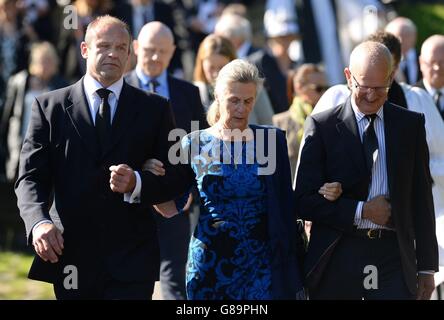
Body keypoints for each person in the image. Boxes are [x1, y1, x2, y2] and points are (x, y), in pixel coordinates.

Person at [15, 15, 183, 299]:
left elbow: (179, 178)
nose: (112, 54)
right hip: (71, 258)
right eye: (104, 46)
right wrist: (39, 223)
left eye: (120, 48)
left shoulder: (155, 108)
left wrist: (138, 183)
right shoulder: (49, 107)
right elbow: (30, 177)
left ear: (130, 54)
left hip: (132, 261)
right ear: (84, 50)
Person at [144, 59, 342, 299]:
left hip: (263, 268)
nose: (241, 108)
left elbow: (287, 205)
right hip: (210, 268)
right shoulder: (194, 143)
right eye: (234, 100)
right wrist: (150, 180)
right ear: (217, 96)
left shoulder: (271, 141)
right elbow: (170, 207)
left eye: (248, 101)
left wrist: (323, 191)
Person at [295, 41, 439, 300]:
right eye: (364, 87)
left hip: (393, 255)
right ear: (349, 77)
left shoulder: (410, 125)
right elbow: (303, 201)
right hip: (339, 252)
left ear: (392, 77)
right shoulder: (323, 126)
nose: (371, 96)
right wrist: (361, 210)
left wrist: (428, 267)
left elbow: (422, 198)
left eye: (380, 88)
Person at [124, 21, 206, 300]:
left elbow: (201, 147)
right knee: (132, 283)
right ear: (136, 48)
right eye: (149, 50)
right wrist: (139, 167)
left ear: (172, 52)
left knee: (175, 284)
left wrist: (193, 191)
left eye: (163, 51)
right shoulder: (119, 90)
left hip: (176, 202)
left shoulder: (188, 93)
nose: (156, 57)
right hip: (130, 205)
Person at [193, 34, 274, 125]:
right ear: (202, 65)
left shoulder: (251, 89)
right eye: (211, 68)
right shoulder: (192, 93)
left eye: (221, 67)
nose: (216, 74)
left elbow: (268, 124)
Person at [272, 63, 327, 180]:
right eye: (318, 89)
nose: (324, 94)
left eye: (326, 88)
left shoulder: (331, 120)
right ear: (299, 87)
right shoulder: (278, 123)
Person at [416, 34, 444, 121]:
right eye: (432, 62)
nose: (437, 67)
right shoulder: (410, 97)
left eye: (442, 62)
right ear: (421, 62)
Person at [385, 17, 420, 85]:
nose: (401, 41)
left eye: (405, 35)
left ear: (415, 36)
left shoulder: (423, 58)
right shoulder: (385, 61)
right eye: (396, 37)